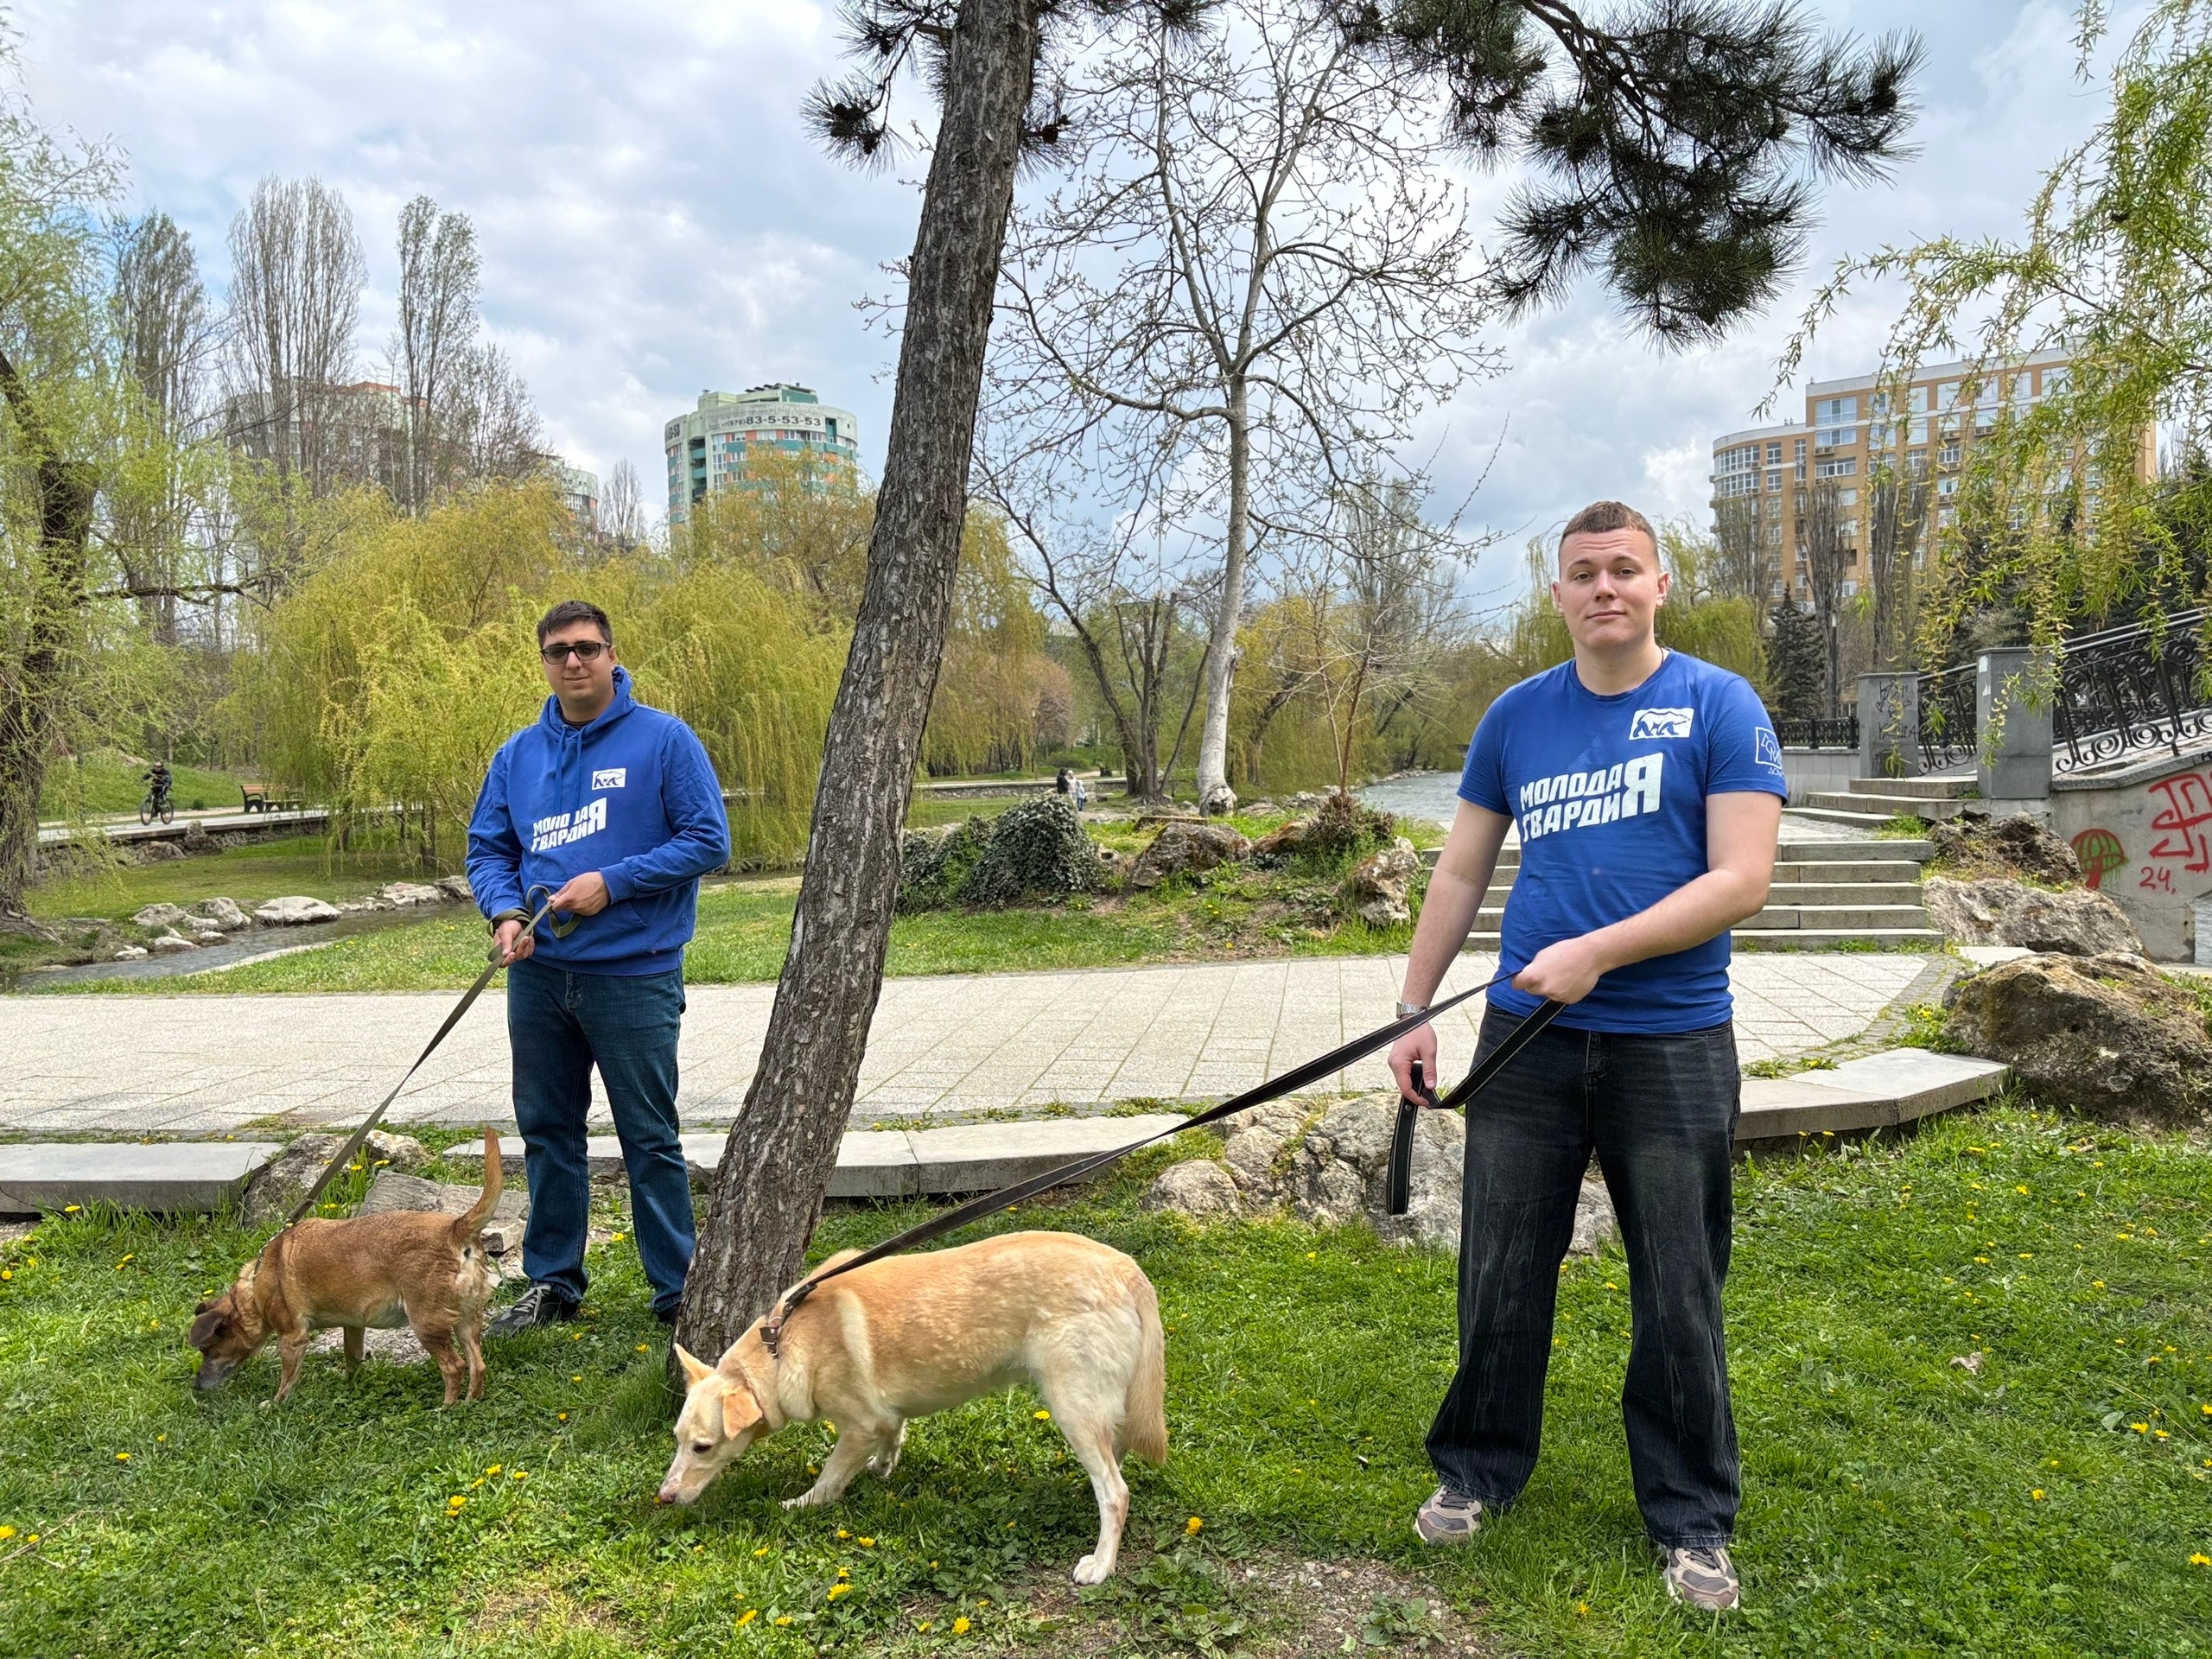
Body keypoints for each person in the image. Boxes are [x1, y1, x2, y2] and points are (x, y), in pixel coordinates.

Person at [1386, 501, 1785, 1614]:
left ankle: (1691, 1517)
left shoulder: (1719, 704)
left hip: (1673, 1042)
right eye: (1581, 573)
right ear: (1556, 596)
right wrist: (1412, 1009)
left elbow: (1739, 878)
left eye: (1623, 570)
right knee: (1501, 1265)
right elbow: (1460, 874)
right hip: (1526, 1038)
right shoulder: (1516, 718)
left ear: (1659, 586)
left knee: (1679, 1285)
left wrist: (1596, 954)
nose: (1602, 587)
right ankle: (1476, 1469)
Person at [467, 600, 731, 1334]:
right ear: (545, 664)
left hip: (634, 974)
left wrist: (612, 883)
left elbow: (709, 839)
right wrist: (506, 914)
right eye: (558, 652)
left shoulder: (664, 741)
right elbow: (489, 849)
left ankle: (679, 1290)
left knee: (650, 1136)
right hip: (539, 975)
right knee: (549, 1131)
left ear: (613, 656)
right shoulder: (517, 756)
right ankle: (554, 1282)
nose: (573, 661)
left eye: (586, 648)